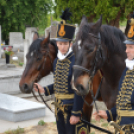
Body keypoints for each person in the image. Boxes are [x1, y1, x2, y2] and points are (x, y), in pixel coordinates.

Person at [34, 8, 88, 134]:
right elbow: (59, 83)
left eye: (65, 44)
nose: (62, 47)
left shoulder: (76, 61)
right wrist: (44, 89)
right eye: (59, 44)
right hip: (58, 108)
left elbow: (80, 89)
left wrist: (76, 112)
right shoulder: (56, 61)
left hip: (71, 109)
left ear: (70, 43)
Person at [93, 14, 134, 134]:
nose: (126, 50)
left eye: (131, 47)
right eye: (126, 47)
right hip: (121, 128)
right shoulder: (127, 70)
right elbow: (123, 104)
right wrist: (107, 113)